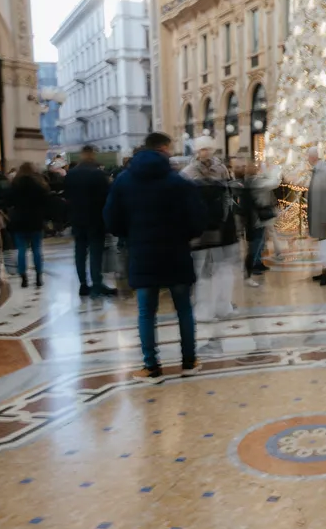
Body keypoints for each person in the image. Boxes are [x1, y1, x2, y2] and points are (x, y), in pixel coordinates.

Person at [104, 132, 208, 382]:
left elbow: (111, 219)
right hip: (176, 253)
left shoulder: (123, 180)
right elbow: (199, 220)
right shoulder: (179, 182)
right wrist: (184, 235)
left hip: (142, 253)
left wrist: (130, 234)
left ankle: (152, 367)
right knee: (183, 308)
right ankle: (189, 361)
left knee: (146, 312)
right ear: (163, 149)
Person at [181, 136, 241, 324]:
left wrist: (227, 218)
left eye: (208, 149)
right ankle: (203, 310)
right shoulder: (188, 172)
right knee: (204, 271)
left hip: (222, 225)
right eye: (202, 149)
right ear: (197, 152)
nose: (205, 152)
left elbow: (227, 197)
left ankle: (223, 306)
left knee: (223, 268)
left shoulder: (221, 169)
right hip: (202, 227)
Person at [64, 145, 115, 297]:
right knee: (95, 252)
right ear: (92, 155)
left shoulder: (71, 174)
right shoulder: (98, 174)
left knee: (79, 252)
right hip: (95, 218)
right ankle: (97, 284)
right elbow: (106, 198)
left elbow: (67, 196)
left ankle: (83, 284)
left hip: (77, 218)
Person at [7, 163, 50, 288]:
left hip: (19, 219)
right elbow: (45, 201)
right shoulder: (39, 185)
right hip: (35, 219)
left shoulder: (14, 185)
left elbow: (8, 201)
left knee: (21, 249)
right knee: (37, 249)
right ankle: (38, 277)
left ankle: (23, 277)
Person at [240, 161, 275, 286]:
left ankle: (255, 266)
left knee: (256, 245)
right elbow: (272, 182)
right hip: (255, 221)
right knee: (254, 247)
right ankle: (250, 271)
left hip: (252, 220)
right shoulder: (254, 183)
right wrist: (267, 169)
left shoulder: (247, 183)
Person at [307, 146, 326, 286]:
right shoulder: (317, 171)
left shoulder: (325, 172)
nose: (308, 160)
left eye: (308, 157)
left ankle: (325, 274)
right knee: (322, 244)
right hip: (317, 214)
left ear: (313, 157)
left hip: (323, 216)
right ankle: (323, 271)